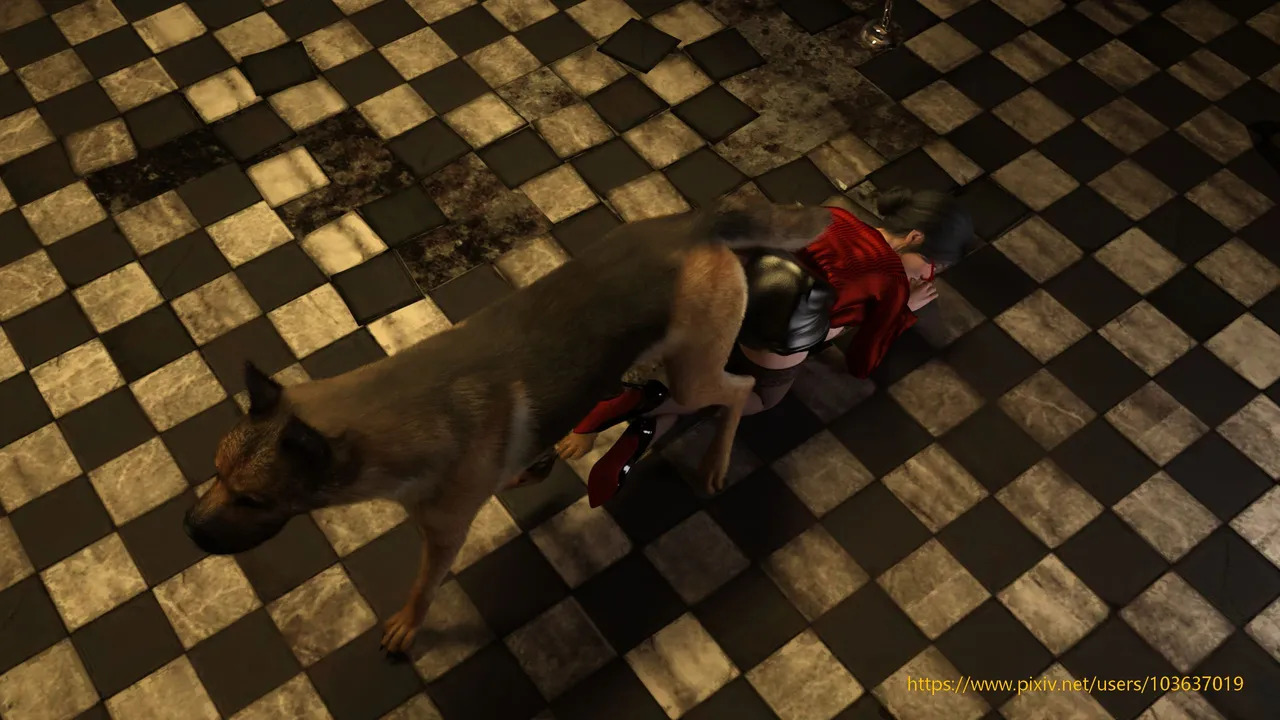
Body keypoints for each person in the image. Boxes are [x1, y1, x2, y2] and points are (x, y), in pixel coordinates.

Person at [556, 188, 974, 506]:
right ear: (914, 236)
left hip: (728, 298)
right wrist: (904, 310)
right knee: (758, 399)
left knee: (698, 369)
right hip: (773, 338)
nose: (926, 275)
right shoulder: (892, 283)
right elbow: (861, 362)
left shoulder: (834, 215)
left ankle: (636, 432)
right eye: (931, 266)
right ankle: (643, 400)